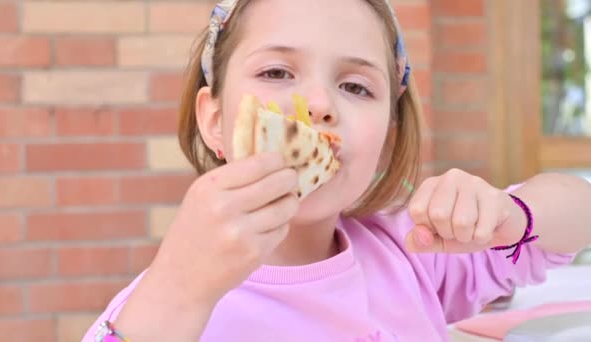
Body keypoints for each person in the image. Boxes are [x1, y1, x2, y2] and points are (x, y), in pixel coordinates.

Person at [84, 0, 591, 340]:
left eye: (356, 87)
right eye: (277, 73)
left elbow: (580, 211)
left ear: (385, 136)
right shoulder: (169, 304)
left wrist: (509, 213)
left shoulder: (414, 250)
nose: (320, 105)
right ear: (215, 121)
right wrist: (178, 291)